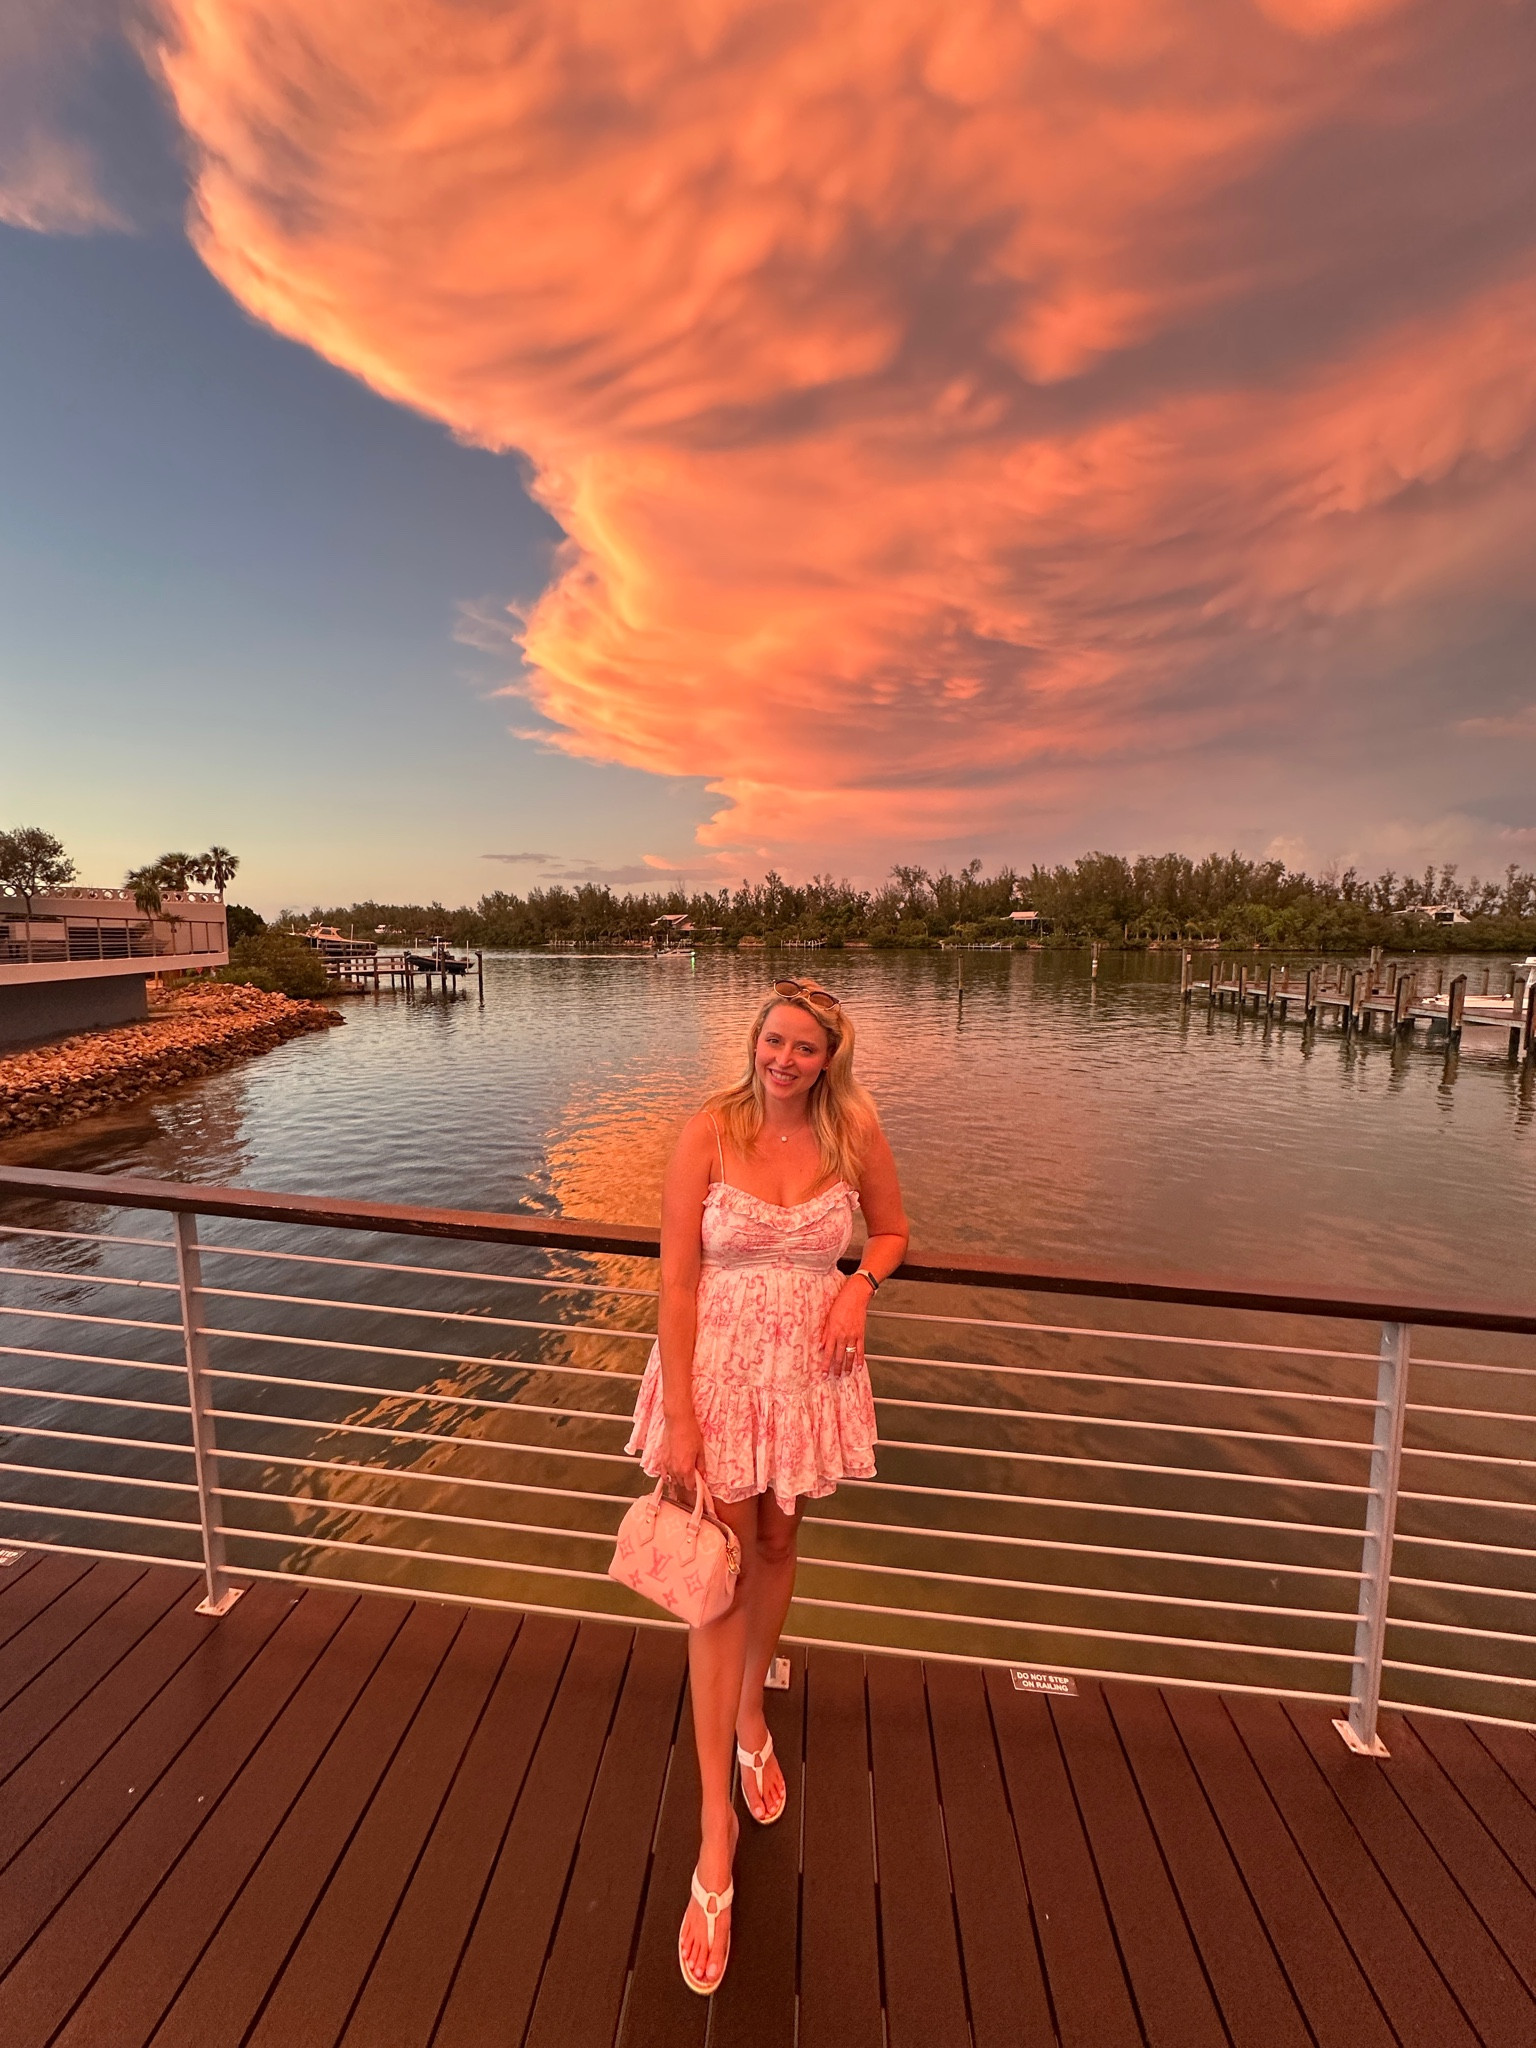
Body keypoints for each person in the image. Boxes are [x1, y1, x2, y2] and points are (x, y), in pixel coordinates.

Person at [625, 976, 909, 1996]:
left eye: (804, 1047)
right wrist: (687, 1417)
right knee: (717, 1579)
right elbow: (678, 1278)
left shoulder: (853, 1128)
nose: (782, 1058)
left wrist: (857, 1287)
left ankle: (753, 1712)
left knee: (782, 1548)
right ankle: (712, 1830)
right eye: (773, 1040)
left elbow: (891, 1229)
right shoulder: (709, 1127)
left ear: (830, 1057)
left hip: (808, 1372)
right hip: (717, 1376)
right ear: (754, 1040)